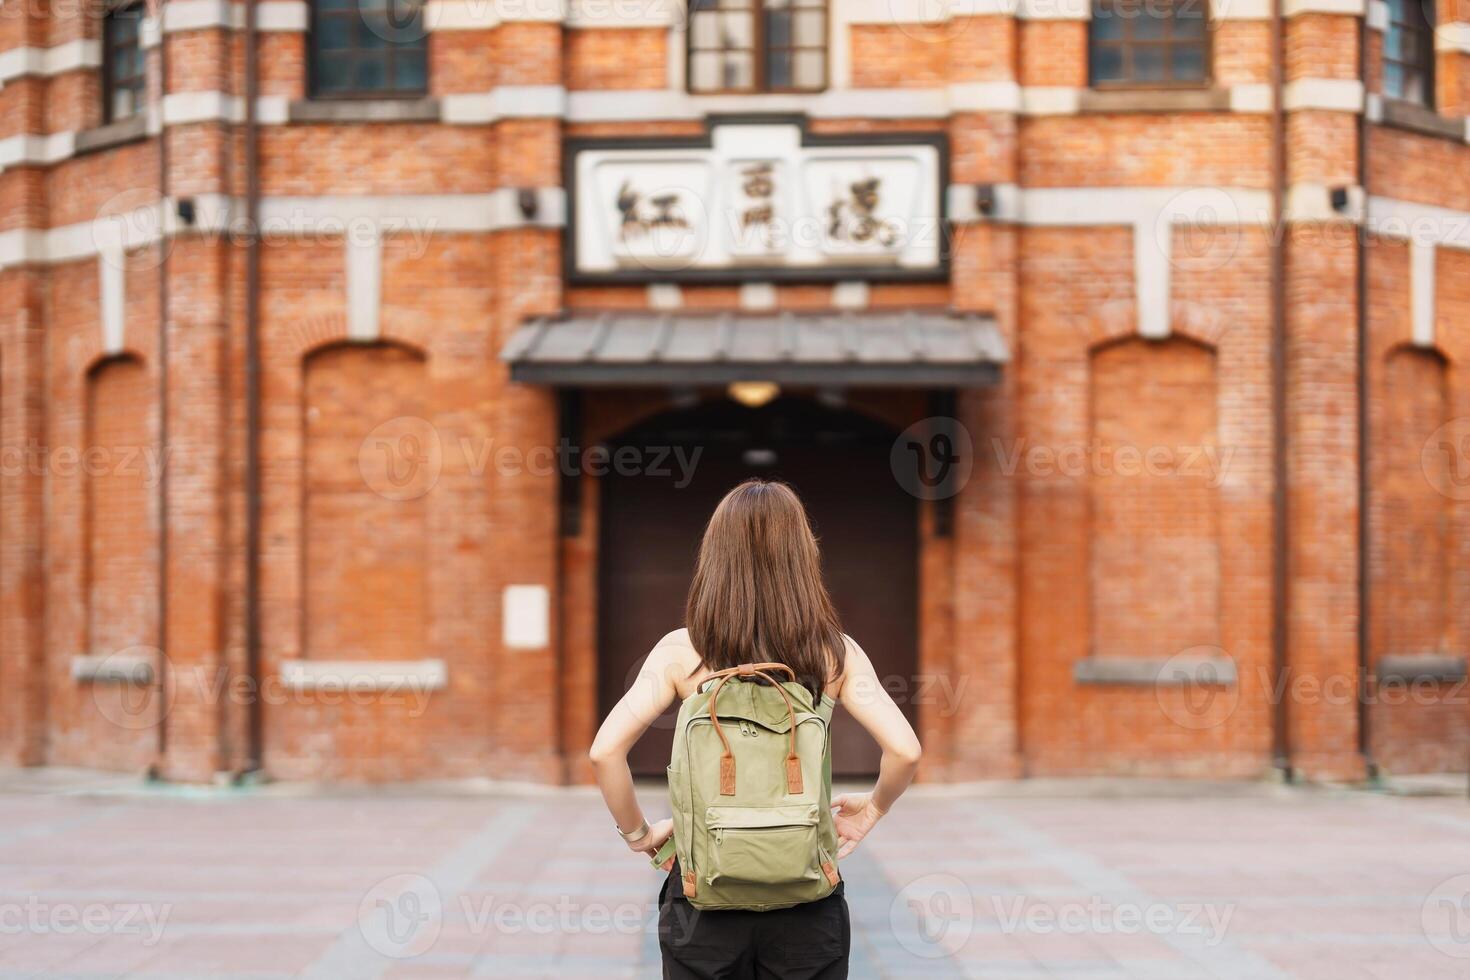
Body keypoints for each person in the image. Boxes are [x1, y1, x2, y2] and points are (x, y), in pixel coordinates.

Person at [589, 478, 923, 979]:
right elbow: (905, 751)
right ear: (803, 556)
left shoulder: (683, 650)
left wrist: (639, 833)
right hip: (807, 896)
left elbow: (605, 751)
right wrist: (871, 810)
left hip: (702, 897)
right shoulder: (835, 652)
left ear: (714, 557)